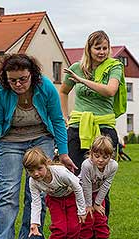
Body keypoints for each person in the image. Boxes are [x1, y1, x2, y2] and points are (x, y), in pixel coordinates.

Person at [0, 53, 76, 239]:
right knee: (8, 193)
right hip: (10, 142)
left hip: (41, 138)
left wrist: (62, 153)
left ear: (32, 75)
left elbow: (56, 120)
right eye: (12, 80)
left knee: (36, 192)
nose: (18, 84)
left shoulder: (45, 87)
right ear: (5, 78)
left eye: (22, 79)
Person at [59, 30, 126, 219]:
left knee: (101, 178)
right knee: (75, 177)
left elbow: (110, 91)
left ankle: (99, 229)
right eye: (98, 48)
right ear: (89, 48)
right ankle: (77, 225)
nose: (102, 52)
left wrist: (82, 81)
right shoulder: (76, 67)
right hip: (77, 127)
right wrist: (66, 117)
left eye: (105, 48)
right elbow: (63, 91)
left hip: (103, 128)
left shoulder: (114, 67)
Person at [23, 147, 86, 239]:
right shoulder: (33, 181)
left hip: (71, 197)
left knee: (74, 228)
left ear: (46, 163)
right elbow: (35, 202)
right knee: (59, 228)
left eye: (39, 169)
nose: (36, 174)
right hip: (55, 201)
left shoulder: (61, 172)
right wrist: (34, 223)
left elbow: (78, 188)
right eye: (31, 170)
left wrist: (81, 211)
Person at [76, 136, 118, 239]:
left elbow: (106, 185)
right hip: (83, 193)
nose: (100, 160)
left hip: (98, 195)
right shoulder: (86, 165)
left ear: (111, 156)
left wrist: (97, 203)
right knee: (86, 222)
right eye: (97, 156)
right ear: (91, 154)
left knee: (101, 221)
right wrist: (89, 205)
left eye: (105, 157)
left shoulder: (113, 166)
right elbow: (86, 186)